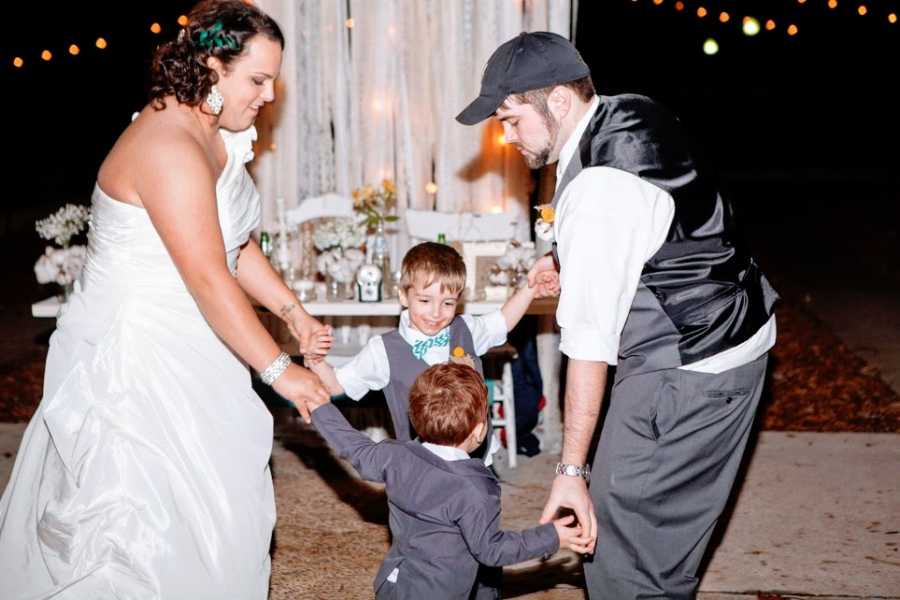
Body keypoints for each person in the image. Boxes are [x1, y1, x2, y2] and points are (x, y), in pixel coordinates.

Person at [0, 2, 331, 598]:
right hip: (138, 352)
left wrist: (293, 312)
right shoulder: (168, 146)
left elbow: (235, 243)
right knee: (136, 521)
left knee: (218, 497)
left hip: (200, 335)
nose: (270, 95)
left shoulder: (216, 131)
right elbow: (208, 276)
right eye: (258, 80)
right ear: (211, 66)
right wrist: (282, 373)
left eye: (274, 80)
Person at [457, 32, 779, 599]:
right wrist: (565, 256)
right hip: (737, 334)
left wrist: (571, 473)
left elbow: (588, 343)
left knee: (620, 546)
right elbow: (661, 220)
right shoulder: (629, 111)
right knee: (664, 533)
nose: (505, 138)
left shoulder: (601, 189)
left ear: (557, 100)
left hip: (688, 366)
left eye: (510, 119)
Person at [308, 362, 591, 599]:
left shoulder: (395, 456)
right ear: (480, 431)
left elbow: (354, 447)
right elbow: (492, 550)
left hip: (395, 582)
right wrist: (552, 536)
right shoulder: (473, 489)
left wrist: (320, 407)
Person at [307, 241, 558, 464]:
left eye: (448, 303)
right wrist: (316, 361)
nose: (436, 313)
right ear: (404, 296)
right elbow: (338, 385)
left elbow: (502, 320)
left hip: (476, 458)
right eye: (425, 301)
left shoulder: (466, 329)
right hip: (420, 466)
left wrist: (530, 290)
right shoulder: (383, 350)